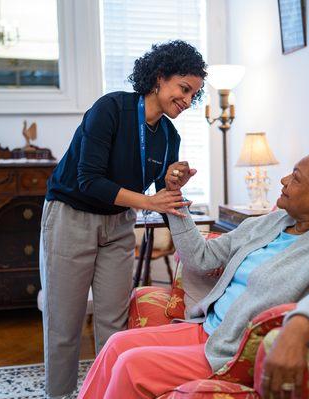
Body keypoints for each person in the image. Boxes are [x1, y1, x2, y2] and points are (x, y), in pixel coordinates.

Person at [78, 138, 309, 399]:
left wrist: (299, 326)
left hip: (233, 349)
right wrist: (175, 196)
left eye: (295, 178)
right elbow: (202, 257)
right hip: (208, 328)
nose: (283, 180)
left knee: (132, 367)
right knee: (117, 344)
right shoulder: (273, 222)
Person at [40, 40, 206, 397]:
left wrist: (174, 179)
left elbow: (162, 188)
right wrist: (150, 200)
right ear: (159, 78)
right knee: (64, 326)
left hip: (118, 225)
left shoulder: (169, 136)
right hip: (72, 216)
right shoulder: (111, 109)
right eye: (184, 89)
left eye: (195, 93)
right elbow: (90, 179)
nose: (188, 100)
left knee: (114, 324)